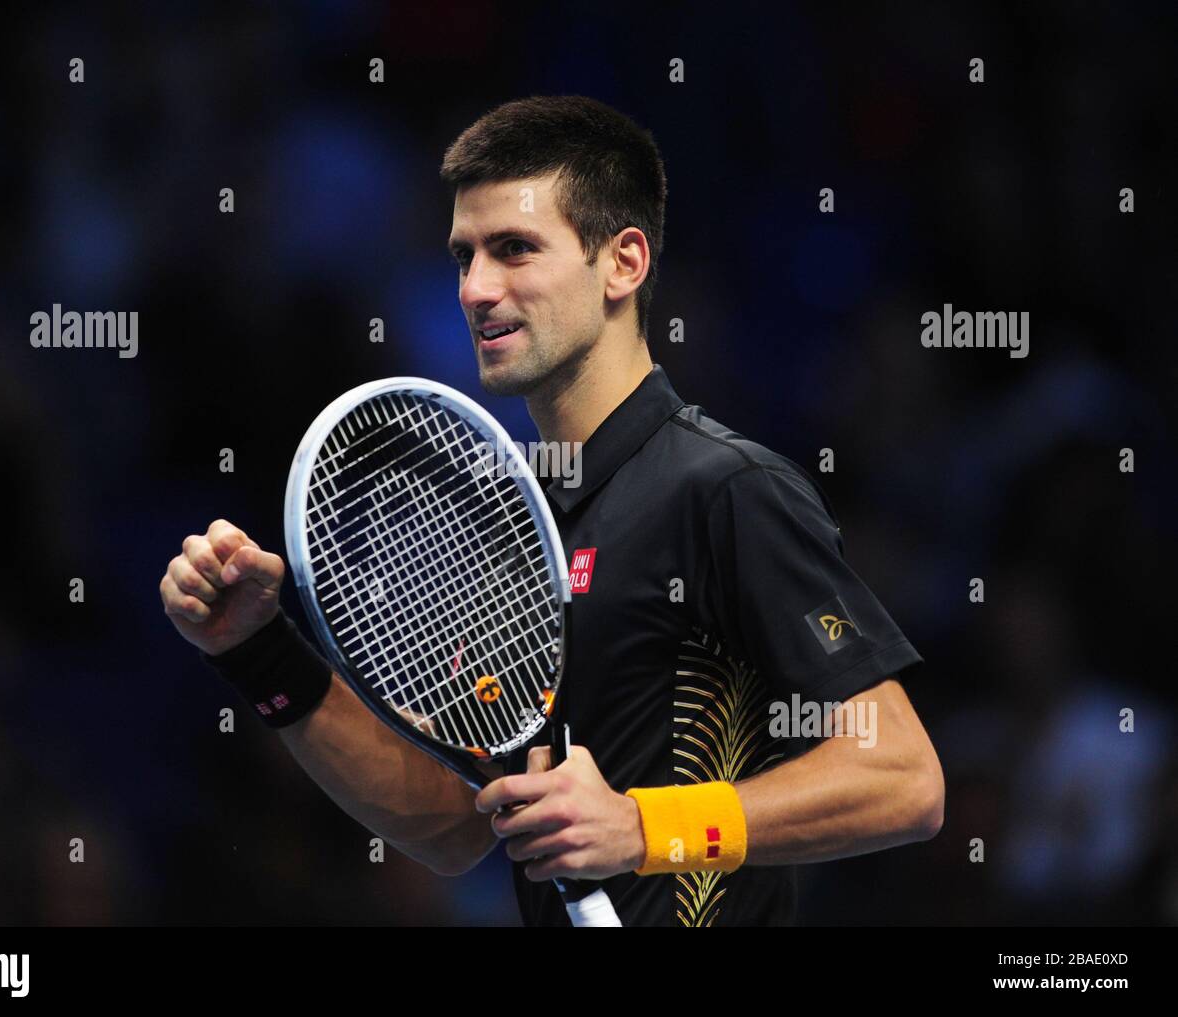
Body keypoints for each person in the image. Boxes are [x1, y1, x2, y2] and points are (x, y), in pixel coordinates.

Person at [159, 95, 944, 926]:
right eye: (463, 256)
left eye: (514, 250)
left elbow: (902, 777)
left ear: (623, 263)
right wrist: (257, 653)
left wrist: (642, 827)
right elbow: (455, 824)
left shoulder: (726, 489)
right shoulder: (509, 529)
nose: (474, 288)